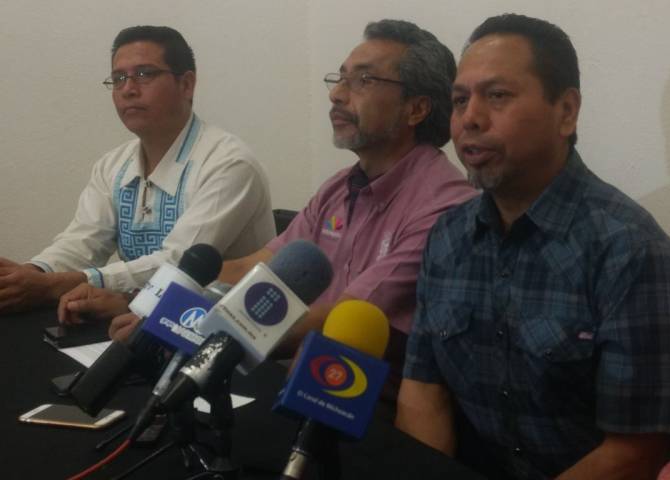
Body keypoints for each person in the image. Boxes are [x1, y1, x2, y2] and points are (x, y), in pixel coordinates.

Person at [396, 13, 670, 479]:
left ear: (566, 111)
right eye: (460, 100)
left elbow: (638, 451)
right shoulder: (448, 237)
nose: (470, 119)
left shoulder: (632, 253)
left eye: (497, 96)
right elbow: (423, 390)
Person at [104, 19, 477, 392]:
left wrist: (187, 327)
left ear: (416, 109)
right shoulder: (339, 187)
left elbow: (336, 318)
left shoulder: (443, 207)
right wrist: (150, 303)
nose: (337, 95)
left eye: (363, 81)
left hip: (361, 405)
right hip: (292, 375)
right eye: (340, 79)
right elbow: (258, 268)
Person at [0, 26, 274, 314]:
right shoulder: (112, 165)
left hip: (221, 329)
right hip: (136, 317)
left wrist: (69, 282)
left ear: (186, 84)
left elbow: (180, 264)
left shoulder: (228, 163)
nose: (129, 89)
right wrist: (28, 275)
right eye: (119, 79)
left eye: (145, 74)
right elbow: (82, 242)